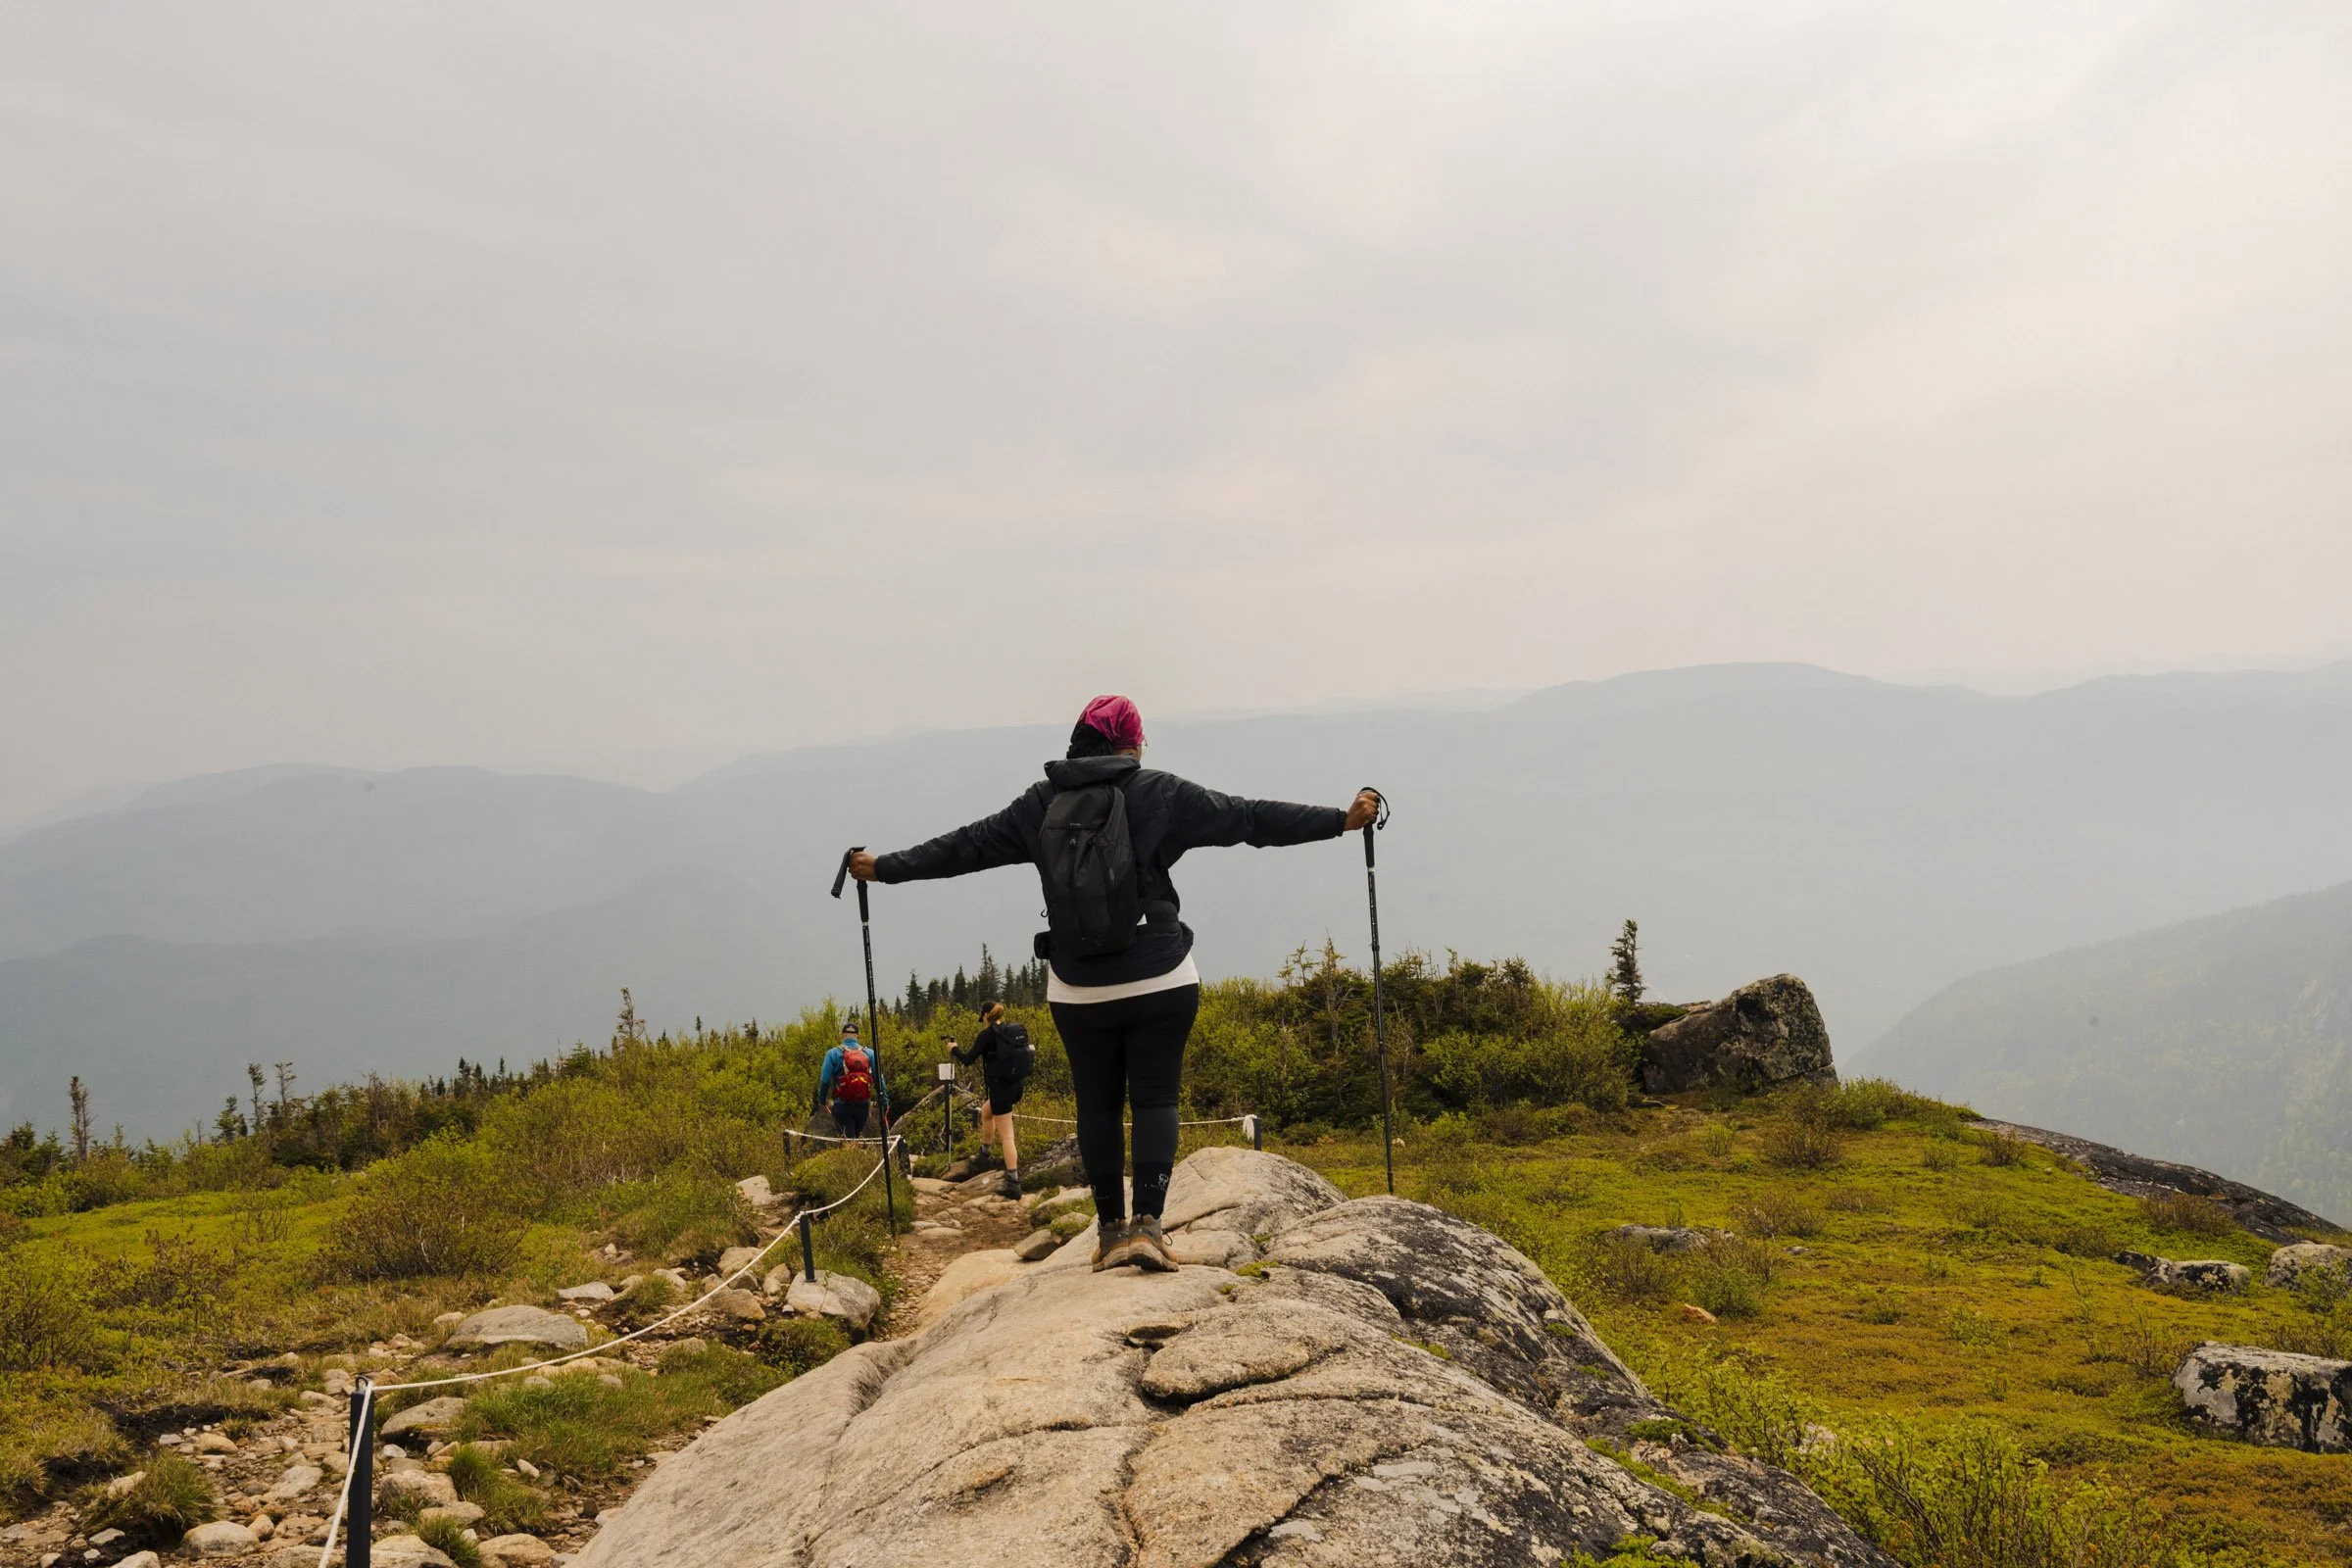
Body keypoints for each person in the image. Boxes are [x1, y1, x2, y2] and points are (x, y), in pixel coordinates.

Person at [849, 694, 1379, 1271]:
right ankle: (1148, 1225)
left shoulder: (1038, 804)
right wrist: (1339, 821)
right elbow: (1248, 817)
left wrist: (883, 867)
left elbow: (961, 848)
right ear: (1130, 743)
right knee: (1155, 1096)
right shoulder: (1159, 792)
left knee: (1097, 1108)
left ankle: (1108, 1234)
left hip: (1078, 989)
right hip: (1161, 974)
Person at [952, 1002, 1032, 1199]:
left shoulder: (988, 1034)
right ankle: (984, 1153)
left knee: (1007, 1137)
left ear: (986, 1015)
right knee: (986, 1113)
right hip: (1016, 1085)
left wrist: (954, 1049)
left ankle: (1014, 1183)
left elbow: (968, 1059)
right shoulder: (1011, 1031)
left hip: (1001, 1089)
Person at [814, 1018, 887, 1141]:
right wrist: (884, 1100)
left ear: (842, 1035)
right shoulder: (869, 1053)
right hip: (863, 1105)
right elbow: (879, 1079)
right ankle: (856, 1157)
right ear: (857, 1036)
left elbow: (825, 1080)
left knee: (849, 1141)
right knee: (855, 1138)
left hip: (842, 1105)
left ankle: (852, 1158)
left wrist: (822, 1100)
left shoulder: (833, 1053)